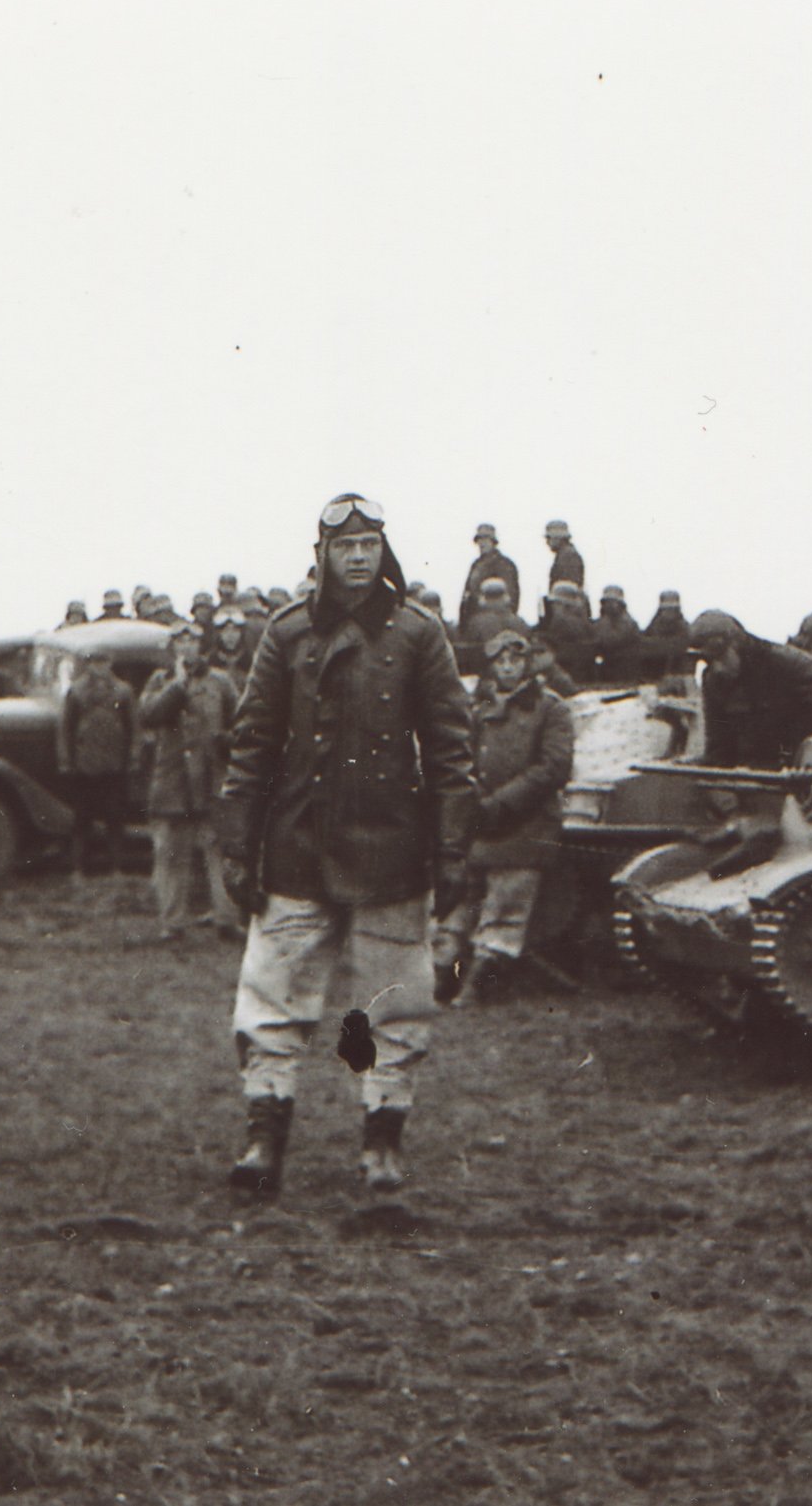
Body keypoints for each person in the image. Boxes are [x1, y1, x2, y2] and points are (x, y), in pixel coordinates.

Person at [216, 494, 477, 1199]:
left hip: (391, 853)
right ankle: (263, 1139)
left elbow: (452, 751)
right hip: (296, 849)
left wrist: (453, 850)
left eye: (369, 544)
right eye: (344, 546)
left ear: (383, 551)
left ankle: (382, 1143)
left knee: (395, 1006)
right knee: (272, 998)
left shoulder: (418, 633)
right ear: (323, 554)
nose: (358, 556)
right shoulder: (287, 633)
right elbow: (252, 744)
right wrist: (238, 846)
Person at [433, 630, 575, 1008]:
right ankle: (441, 974)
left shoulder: (551, 708)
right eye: (500, 661)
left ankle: (481, 983)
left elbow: (553, 767)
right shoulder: (481, 708)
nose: (508, 668)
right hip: (483, 821)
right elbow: (463, 757)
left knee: (506, 907)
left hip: (527, 823)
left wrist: (502, 803)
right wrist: (475, 798)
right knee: (462, 903)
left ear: (528, 664)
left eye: (515, 660)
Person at [139, 627, 243, 942]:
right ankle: (173, 922)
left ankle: (227, 918)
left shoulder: (220, 681)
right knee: (172, 854)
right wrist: (178, 683)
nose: (187, 647)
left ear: (202, 645)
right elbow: (149, 715)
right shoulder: (160, 681)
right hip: (175, 782)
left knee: (219, 852)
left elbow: (242, 722)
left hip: (212, 779)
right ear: (172, 648)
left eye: (193, 641)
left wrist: (225, 740)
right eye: (181, 641)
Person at [687, 611, 812, 769]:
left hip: (797, 774)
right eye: (709, 661)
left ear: (737, 645)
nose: (717, 668)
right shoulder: (714, 681)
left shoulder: (785, 664)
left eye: (721, 657)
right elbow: (718, 749)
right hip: (748, 777)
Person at [59, 651, 136, 878]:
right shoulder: (76, 691)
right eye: (95, 663)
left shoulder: (123, 691)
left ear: (110, 663)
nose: (99, 667)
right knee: (82, 817)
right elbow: (65, 728)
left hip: (114, 763)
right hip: (85, 764)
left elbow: (134, 727)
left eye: (103, 662)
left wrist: (134, 757)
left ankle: (116, 867)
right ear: (88, 665)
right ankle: (79, 867)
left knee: (115, 815)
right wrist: (66, 760)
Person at [460, 524, 521, 631]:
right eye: (479, 540)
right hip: (474, 622)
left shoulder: (504, 564)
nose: (481, 543)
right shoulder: (476, 564)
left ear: (493, 542)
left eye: (485, 539)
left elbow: (511, 596)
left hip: (497, 623)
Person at [536, 581, 599, 682]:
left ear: (564, 604)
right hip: (581, 670)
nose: (553, 607)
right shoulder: (582, 621)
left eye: (555, 603)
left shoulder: (563, 621)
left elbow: (557, 642)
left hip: (567, 668)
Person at [593, 585, 645, 684]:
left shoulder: (628, 623)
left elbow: (611, 640)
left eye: (613, 602)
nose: (609, 605)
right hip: (607, 669)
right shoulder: (601, 622)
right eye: (607, 602)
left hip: (625, 671)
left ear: (621, 604)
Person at [461, 576, 529, 651]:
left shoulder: (476, 623)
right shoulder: (519, 622)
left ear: (483, 598)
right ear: (505, 597)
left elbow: (468, 651)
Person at [543, 519, 585, 607]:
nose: (547, 542)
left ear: (558, 537)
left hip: (566, 606)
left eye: (549, 538)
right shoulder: (565, 555)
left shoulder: (568, 557)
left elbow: (566, 590)